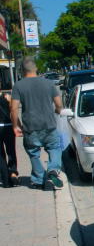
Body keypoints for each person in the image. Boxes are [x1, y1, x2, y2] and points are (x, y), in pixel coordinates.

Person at [11, 57, 64, 190]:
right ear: (37, 69)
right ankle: (53, 169)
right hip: (49, 125)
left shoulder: (18, 86)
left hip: (30, 127)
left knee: (33, 153)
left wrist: (16, 126)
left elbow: (13, 108)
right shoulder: (49, 83)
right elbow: (59, 105)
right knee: (55, 148)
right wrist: (57, 111)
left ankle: (39, 179)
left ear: (22, 70)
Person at [0, 91, 18, 187]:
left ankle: (6, 181)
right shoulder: (7, 97)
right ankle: (13, 172)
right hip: (8, 127)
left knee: (1, 156)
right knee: (11, 151)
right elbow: (13, 111)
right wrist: (18, 125)